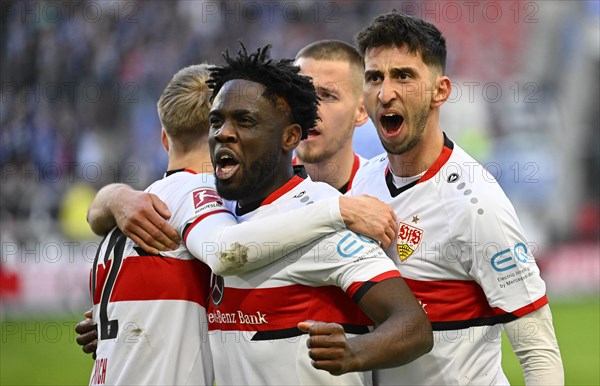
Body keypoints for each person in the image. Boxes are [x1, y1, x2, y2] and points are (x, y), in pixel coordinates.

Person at [81, 63, 400, 385]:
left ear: (165, 139)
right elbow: (226, 250)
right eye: (220, 121)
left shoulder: (136, 207)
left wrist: (111, 196)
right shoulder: (198, 196)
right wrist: (337, 209)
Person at [345, 11, 564, 385]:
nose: (385, 92)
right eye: (374, 77)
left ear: (440, 91)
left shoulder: (476, 204)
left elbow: (538, 351)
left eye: (404, 76)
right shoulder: (363, 183)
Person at [203, 43, 431, 384]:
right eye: (216, 121)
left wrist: (355, 352)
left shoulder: (331, 220)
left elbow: (413, 327)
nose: (223, 133)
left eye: (245, 121)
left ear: (290, 135)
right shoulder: (214, 210)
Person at [293, 40, 369, 193]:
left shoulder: (384, 194)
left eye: (328, 96)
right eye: (301, 93)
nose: (309, 108)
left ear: (361, 111)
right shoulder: (253, 191)